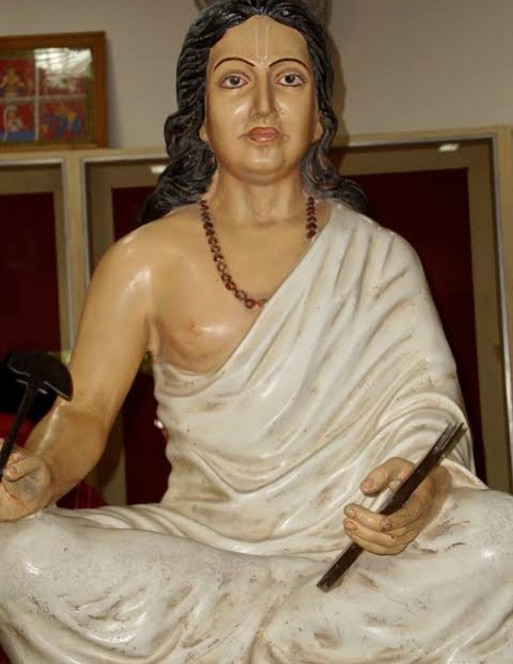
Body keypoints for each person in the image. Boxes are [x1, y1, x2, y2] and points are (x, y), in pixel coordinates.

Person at [1, 1, 513, 661]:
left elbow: (427, 422)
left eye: (290, 79)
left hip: (353, 551)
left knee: (498, 536)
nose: (263, 104)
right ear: (200, 116)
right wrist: (41, 472)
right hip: (201, 550)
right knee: (17, 555)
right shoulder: (142, 260)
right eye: (235, 80)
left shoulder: (379, 256)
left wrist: (420, 494)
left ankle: (277, 634)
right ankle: (306, 635)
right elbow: (86, 410)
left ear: (321, 115)